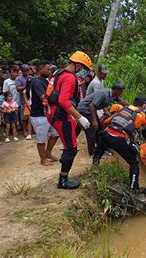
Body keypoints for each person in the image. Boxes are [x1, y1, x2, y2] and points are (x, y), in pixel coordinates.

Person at [93, 95, 146, 194]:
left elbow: (106, 121)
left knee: (98, 154)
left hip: (106, 133)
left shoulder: (123, 109)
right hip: (119, 138)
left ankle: (94, 171)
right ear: (143, 105)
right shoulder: (142, 115)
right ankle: (134, 188)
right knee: (134, 163)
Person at [48, 51, 92, 189]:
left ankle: (64, 159)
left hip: (54, 112)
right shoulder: (70, 78)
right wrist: (80, 117)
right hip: (61, 116)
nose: (83, 72)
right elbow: (63, 100)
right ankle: (63, 180)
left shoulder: (59, 73)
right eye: (83, 69)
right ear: (78, 66)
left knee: (74, 129)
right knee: (72, 147)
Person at [76, 83, 125, 156]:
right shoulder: (103, 93)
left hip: (91, 110)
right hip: (85, 109)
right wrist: (94, 121)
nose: (122, 93)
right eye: (121, 91)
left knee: (100, 129)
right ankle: (92, 151)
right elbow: (91, 105)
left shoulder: (114, 95)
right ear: (116, 90)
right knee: (92, 130)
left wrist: (133, 108)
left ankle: (102, 147)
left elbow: (123, 102)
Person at [30, 60, 60, 166]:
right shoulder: (37, 81)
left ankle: (47, 153)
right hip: (38, 115)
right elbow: (44, 99)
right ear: (40, 68)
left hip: (46, 114)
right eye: (47, 69)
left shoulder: (45, 80)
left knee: (56, 133)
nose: (49, 71)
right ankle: (43, 159)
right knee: (41, 139)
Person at [16, 64, 33, 139]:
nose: (27, 72)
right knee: (24, 117)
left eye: (28, 70)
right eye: (25, 70)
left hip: (31, 99)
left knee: (31, 116)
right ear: (22, 71)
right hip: (23, 100)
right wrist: (26, 86)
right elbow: (18, 89)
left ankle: (31, 130)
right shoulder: (19, 79)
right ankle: (24, 130)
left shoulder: (32, 78)